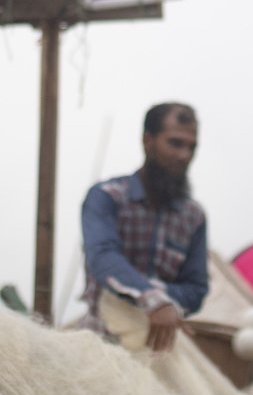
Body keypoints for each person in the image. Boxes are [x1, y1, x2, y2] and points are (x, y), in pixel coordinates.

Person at [80, 102, 208, 352]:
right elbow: (103, 257)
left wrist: (160, 302)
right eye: (175, 143)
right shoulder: (107, 197)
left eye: (191, 147)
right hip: (100, 344)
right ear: (147, 140)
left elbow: (196, 290)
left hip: (160, 352)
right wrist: (154, 301)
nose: (184, 155)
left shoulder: (194, 216)